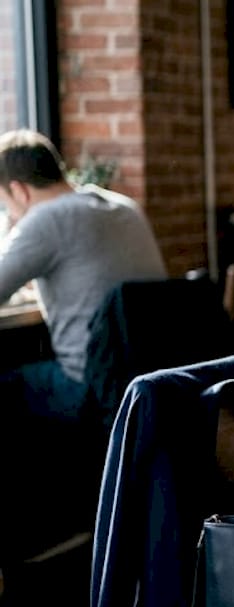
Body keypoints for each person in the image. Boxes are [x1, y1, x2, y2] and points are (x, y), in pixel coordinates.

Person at [0, 128, 166, 438]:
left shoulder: (45, 219)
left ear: (19, 191)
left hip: (90, 387)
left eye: (5, 203)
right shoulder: (126, 208)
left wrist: (11, 229)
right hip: (151, 382)